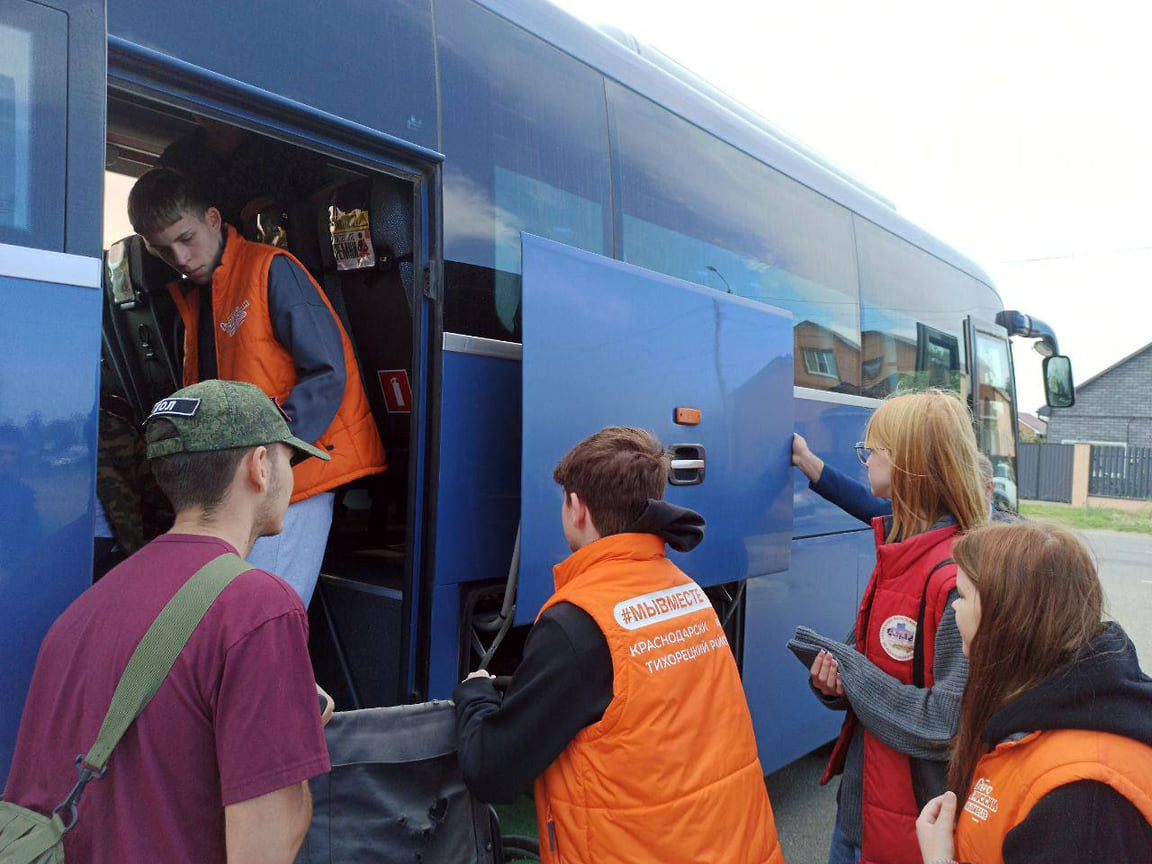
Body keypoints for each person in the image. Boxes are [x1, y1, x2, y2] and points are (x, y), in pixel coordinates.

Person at [3, 380, 334, 863]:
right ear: (259, 467)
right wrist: (295, 733)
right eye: (289, 459)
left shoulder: (83, 609)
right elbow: (265, 848)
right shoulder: (260, 608)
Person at [454, 426, 784, 864]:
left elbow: (491, 770)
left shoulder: (577, 624)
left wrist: (475, 693)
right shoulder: (688, 594)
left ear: (577, 508)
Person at [127, 167, 387, 605]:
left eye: (186, 239)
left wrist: (278, 450)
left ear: (213, 218)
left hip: (293, 481)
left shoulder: (271, 270)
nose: (182, 258)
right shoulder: (196, 298)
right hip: (239, 485)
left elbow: (328, 371)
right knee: (240, 614)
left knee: (263, 616)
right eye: (164, 251)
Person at [788, 390, 989, 864]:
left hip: (908, 830)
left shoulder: (956, 579)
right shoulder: (897, 549)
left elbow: (944, 723)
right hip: (859, 810)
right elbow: (879, 670)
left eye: (875, 448)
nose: (866, 458)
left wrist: (852, 674)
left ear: (909, 464)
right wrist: (832, 684)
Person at [915, 522, 1152, 864]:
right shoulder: (1036, 714)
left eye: (962, 596)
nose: (953, 609)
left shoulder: (1082, 801)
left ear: (1008, 619)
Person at [792, 433, 1015, 523]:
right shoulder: (923, 517)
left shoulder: (1010, 538)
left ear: (988, 489)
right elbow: (861, 501)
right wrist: (805, 459)